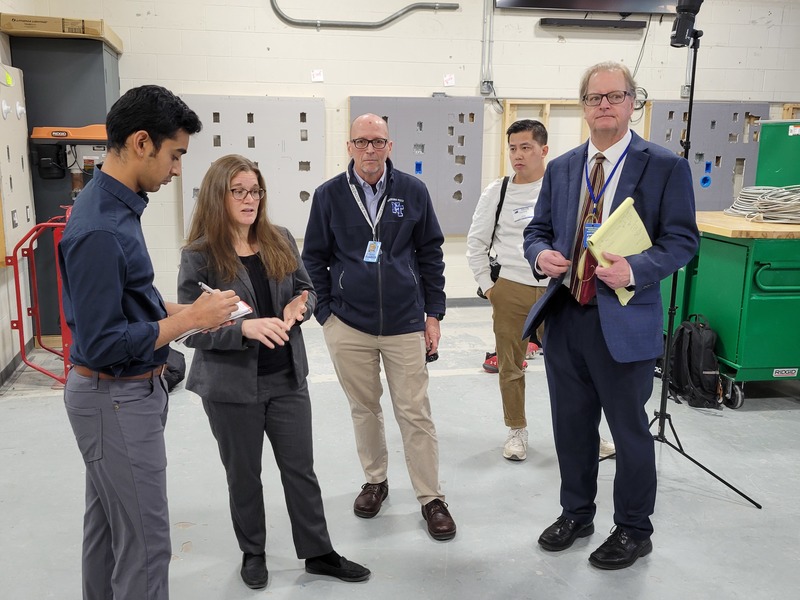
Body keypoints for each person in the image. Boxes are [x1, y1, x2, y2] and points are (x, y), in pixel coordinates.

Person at [59, 85, 242, 600]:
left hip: (116, 397)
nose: (178, 168)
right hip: (114, 396)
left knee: (109, 533)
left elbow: (124, 300)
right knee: (146, 544)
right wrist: (189, 323)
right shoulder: (100, 228)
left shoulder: (116, 207)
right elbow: (103, 343)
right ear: (142, 142)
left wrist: (184, 311)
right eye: (175, 154)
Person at [523, 62, 699, 570]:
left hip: (623, 320)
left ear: (631, 103)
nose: (604, 105)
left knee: (629, 431)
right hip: (567, 317)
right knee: (571, 428)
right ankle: (576, 514)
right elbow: (538, 230)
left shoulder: (664, 166)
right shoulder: (561, 167)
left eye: (615, 96)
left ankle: (633, 529)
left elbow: (683, 240)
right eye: (595, 98)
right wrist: (540, 256)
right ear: (584, 107)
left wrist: (638, 269)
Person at [177, 154, 370, 589]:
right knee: (244, 474)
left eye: (255, 191)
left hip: (286, 377)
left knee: (300, 469)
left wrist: (300, 306)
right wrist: (243, 329)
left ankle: (318, 552)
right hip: (231, 386)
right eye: (239, 191)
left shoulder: (279, 238)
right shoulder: (200, 256)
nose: (250, 199)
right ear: (218, 196)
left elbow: (307, 288)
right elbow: (191, 329)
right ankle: (254, 552)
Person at [302, 113, 456, 541]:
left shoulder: (413, 191)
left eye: (378, 142)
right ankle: (376, 481)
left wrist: (433, 314)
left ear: (390, 146)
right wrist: (326, 314)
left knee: (414, 411)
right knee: (364, 407)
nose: (370, 150)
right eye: (361, 142)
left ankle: (431, 497)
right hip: (348, 323)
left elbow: (431, 254)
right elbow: (313, 257)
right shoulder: (329, 195)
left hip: (406, 322)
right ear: (349, 147)